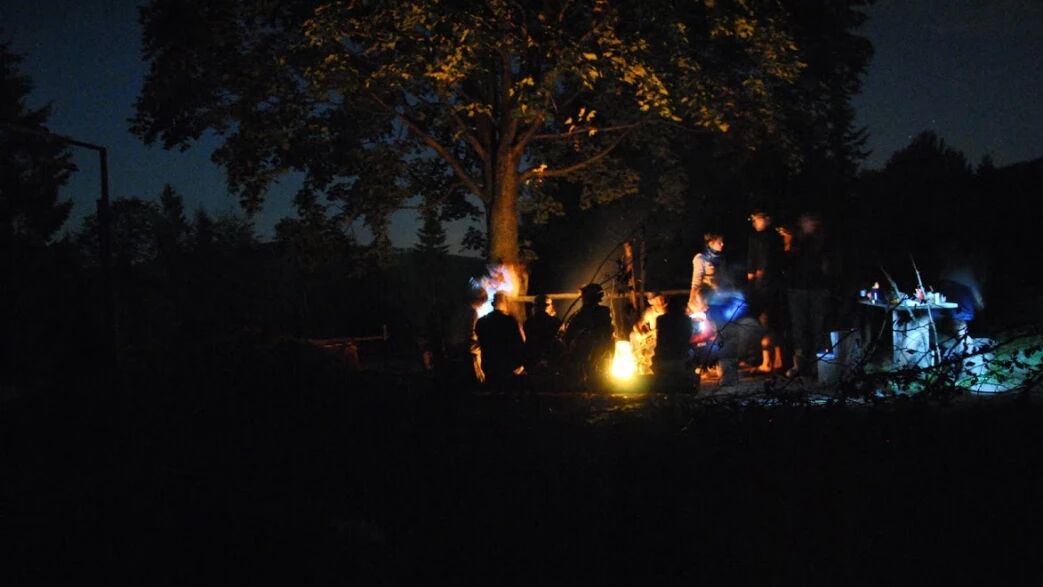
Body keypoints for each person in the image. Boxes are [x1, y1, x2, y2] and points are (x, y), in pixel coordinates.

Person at [780, 212, 833, 377]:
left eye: (810, 221)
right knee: (798, 326)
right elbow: (786, 261)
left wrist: (827, 283)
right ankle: (799, 363)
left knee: (818, 325)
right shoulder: (796, 239)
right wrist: (787, 244)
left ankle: (818, 364)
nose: (808, 224)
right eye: (805, 221)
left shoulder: (821, 240)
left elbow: (827, 264)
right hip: (797, 288)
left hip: (817, 288)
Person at [688, 232, 740, 386]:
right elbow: (696, 282)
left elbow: (727, 280)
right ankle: (720, 372)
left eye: (723, 242)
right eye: (719, 242)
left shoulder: (722, 259)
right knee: (716, 336)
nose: (722, 244)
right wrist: (693, 301)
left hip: (725, 301)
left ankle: (729, 374)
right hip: (710, 303)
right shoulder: (700, 259)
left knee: (727, 335)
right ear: (710, 242)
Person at [745, 209, 786, 373]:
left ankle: (768, 361)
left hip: (765, 285)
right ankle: (778, 360)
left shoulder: (760, 238)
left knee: (766, 321)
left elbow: (758, 262)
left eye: (756, 218)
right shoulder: (777, 237)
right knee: (775, 322)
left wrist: (754, 281)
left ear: (766, 219)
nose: (754, 222)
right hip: (777, 283)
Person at [562, 283, 614, 389]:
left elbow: (607, 331)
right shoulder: (581, 314)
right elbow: (570, 333)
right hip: (586, 348)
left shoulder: (600, 312)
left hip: (596, 346)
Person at [474, 292, 525, 389]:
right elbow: (521, 344)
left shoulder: (482, 322)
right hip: (508, 368)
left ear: (492, 303)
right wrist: (521, 365)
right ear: (505, 302)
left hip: (489, 366)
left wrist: (478, 366)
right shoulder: (511, 321)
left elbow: (476, 345)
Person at [442, 287, 487, 388]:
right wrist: (476, 356)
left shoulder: (458, 310)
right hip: (464, 350)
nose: (482, 305)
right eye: (482, 303)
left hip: (451, 348)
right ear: (479, 300)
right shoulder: (472, 312)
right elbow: (471, 334)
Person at [653, 295, 695, 390]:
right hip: (680, 356)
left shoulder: (660, 319)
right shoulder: (687, 320)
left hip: (663, 357)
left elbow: (659, 339)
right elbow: (688, 338)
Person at [523, 294, 562, 378]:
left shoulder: (528, 323)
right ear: (548, 306)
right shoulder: (556, 322)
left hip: (532, 362)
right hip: (550, 363)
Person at [630, 291, 667, 375]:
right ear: (651, 302)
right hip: (652, 336)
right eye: (657, 299)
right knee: (633, 335)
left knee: (651, 350)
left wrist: (653, 334)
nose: (660, 301)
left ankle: (652, 368)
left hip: (662, 337)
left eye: (661, 299)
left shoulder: (667, 311)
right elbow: (637, 325)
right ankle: (636, 360)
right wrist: (640, 333)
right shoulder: (650, 311)